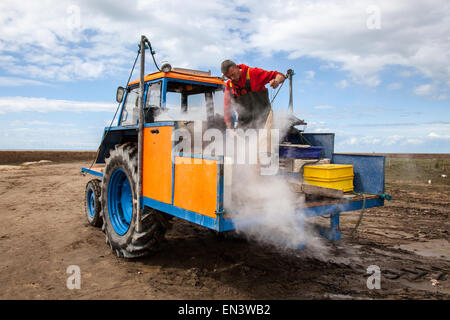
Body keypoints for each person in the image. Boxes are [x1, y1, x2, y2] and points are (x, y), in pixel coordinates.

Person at [221, 59, 286, 129]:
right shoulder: (229, 85)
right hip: (244, 124)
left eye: (233, 74)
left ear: (237, 68)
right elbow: (227, 107)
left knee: (266, 138)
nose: (232, 78)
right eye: (229, 77)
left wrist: (276, 81)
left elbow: (280, 75)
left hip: (264, 121)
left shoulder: (253, 73)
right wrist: (229, 129)